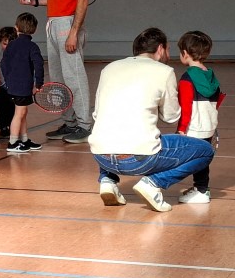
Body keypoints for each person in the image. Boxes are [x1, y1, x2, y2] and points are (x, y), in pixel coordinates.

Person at [89, 27, 216, 213]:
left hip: (101, 156)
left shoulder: (109, 68)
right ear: (160, 49)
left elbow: (97, 114)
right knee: (205, 151)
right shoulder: (164, 71)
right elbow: (171, 116)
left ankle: (107, 181)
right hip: (140, 158)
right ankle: (153, 183)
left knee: (110, 126)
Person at [17, 0, 92, 143]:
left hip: (67, 25)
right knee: (58, 78)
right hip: (53, 22)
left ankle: (85, 125)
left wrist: (73, 32)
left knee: (74, 77)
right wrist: (32, 2)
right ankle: (69, 123)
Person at [175, 30, 223, 205]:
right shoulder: (210, 76)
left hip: (193, 127)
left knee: (193, 160)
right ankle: (200, 188)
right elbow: (217, 100)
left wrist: (181, 128)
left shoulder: (187, 78)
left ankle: (201, 191)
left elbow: (185, 107)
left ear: (185, 53)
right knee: (202, 159)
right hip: (209, 125)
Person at [1, 13, 44, 152]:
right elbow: (39, 66)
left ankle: (24, 139)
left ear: (16, 28)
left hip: (17, 85)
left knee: (23, 112)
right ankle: (13, 142)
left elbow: (3, 64)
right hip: (22, 86)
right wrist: (39, 84)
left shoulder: (11, 45)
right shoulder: (32, 46)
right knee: (19, 113)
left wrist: (8, 80)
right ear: (34, 30)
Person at [0, 26, 17, 139]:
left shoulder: (17, 55)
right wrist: (2, 84)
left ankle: (13, 126)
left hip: (14, 87)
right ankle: (3, 127)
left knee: (13, 108)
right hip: (2, 87)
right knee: (2, 108)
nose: (7, 47)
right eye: (4, 44)